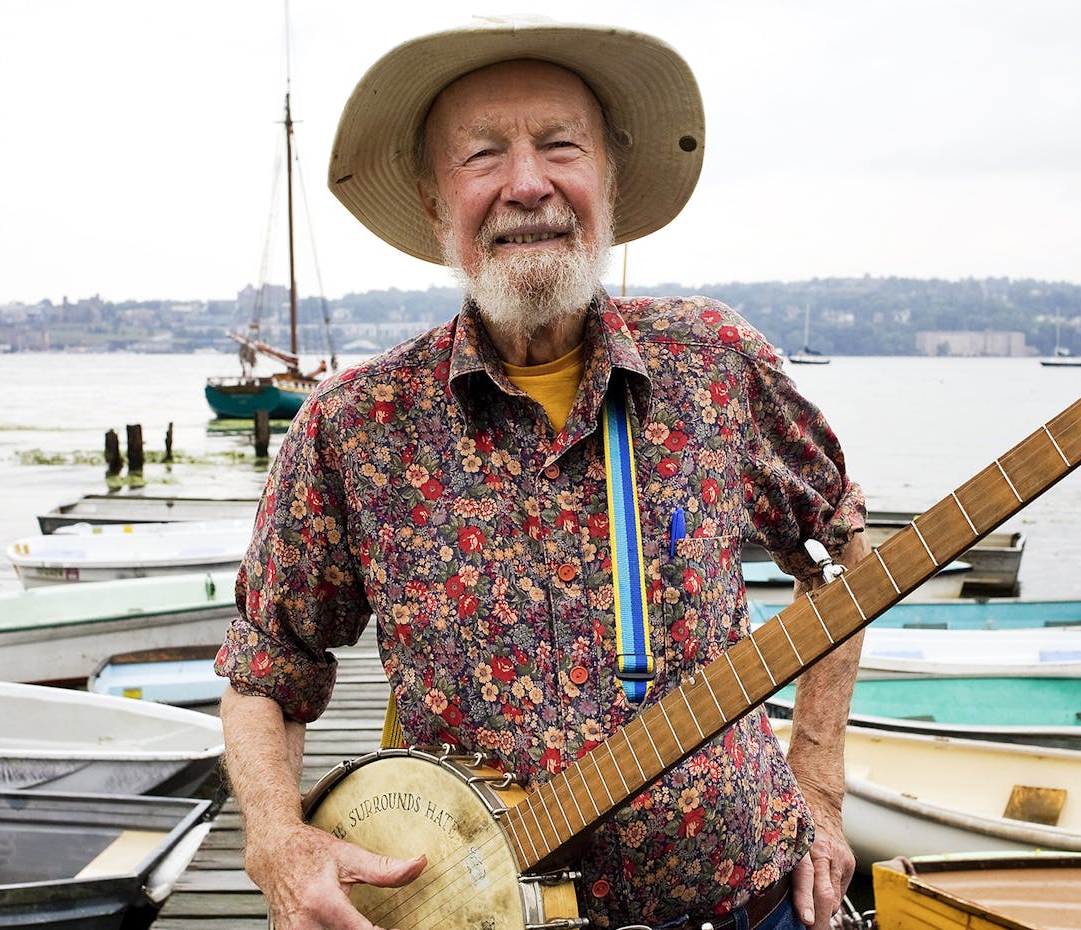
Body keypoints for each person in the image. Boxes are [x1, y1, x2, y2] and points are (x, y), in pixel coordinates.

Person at [216, 17, 869, 930]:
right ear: (437, 203)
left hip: (753, 903)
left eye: (560, 146)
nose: (528, 184)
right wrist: (277, 842)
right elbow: (266, 668)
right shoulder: (353, 429)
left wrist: (821, 787)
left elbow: (840, 551)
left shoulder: (718, 365)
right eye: (483, 155)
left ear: (606, 177)